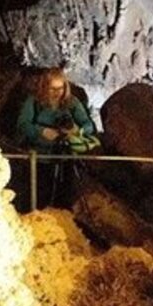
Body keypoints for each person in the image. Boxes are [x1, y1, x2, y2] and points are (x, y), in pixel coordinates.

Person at [12, 69, 100, 210]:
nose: (57, 92)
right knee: (38, 196)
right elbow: (23, 124)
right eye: (53, 88)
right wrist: (42, 131)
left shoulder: (71, 102)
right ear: (44, 86)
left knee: (64, 197)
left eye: (61, 88)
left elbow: (89, 125)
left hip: (66, 156)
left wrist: (77, 131)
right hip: (40, 158)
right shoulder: (34, 101)